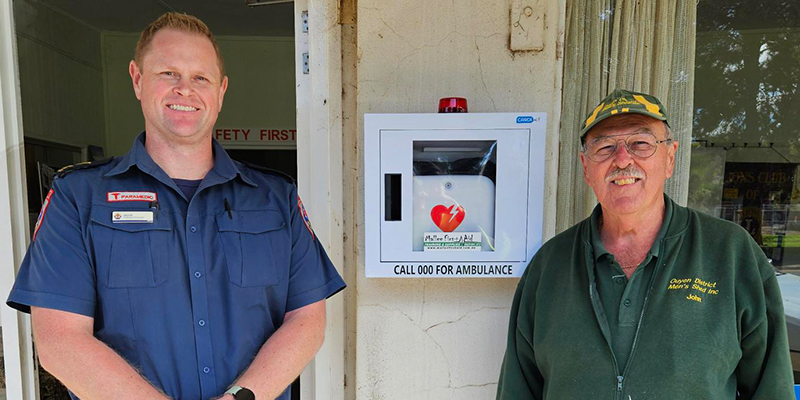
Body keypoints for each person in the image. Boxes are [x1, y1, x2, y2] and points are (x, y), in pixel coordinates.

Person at [7, 12, 345, 400]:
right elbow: (59, 342)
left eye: (201, 77)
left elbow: (306, 320)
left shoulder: (275, 198)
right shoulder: (77, 197)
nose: (185, 89)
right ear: (137, 79)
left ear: (221, 90)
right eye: (168, 73)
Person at [496, 89, 794, 399]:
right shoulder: (548, 267)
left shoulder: (731, 254)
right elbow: (518, 390)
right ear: (586, 167)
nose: (623, 160)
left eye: (641, 143)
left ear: (670, 157)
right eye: (605, 146)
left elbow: (772, 389)